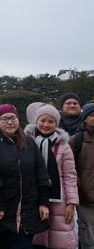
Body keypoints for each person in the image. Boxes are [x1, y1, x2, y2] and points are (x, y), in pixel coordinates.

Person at [0, 104, 51, 249]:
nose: (10, 122)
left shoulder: (29, 142)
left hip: (28, 209)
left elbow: (41, 172)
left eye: (13, 118)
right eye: (5, 119)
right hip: (3, 210)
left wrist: (44, 202)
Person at [24, 104, 79, 249]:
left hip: (59, 198)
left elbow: (70, 176)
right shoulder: (26, 141)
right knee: (36, 238)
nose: (46, 124)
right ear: (36, 120)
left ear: (56, 123)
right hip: (33, 195)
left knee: (60, 236)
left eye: (51, 121)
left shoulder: (63, 145)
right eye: (43, 120)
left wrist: (71, 203)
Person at [69, 103, 94, 248]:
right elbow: (70, 170)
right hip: (86, 200)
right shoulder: (76, 140)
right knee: (88, 240)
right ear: (85, 118)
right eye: (91, 115)